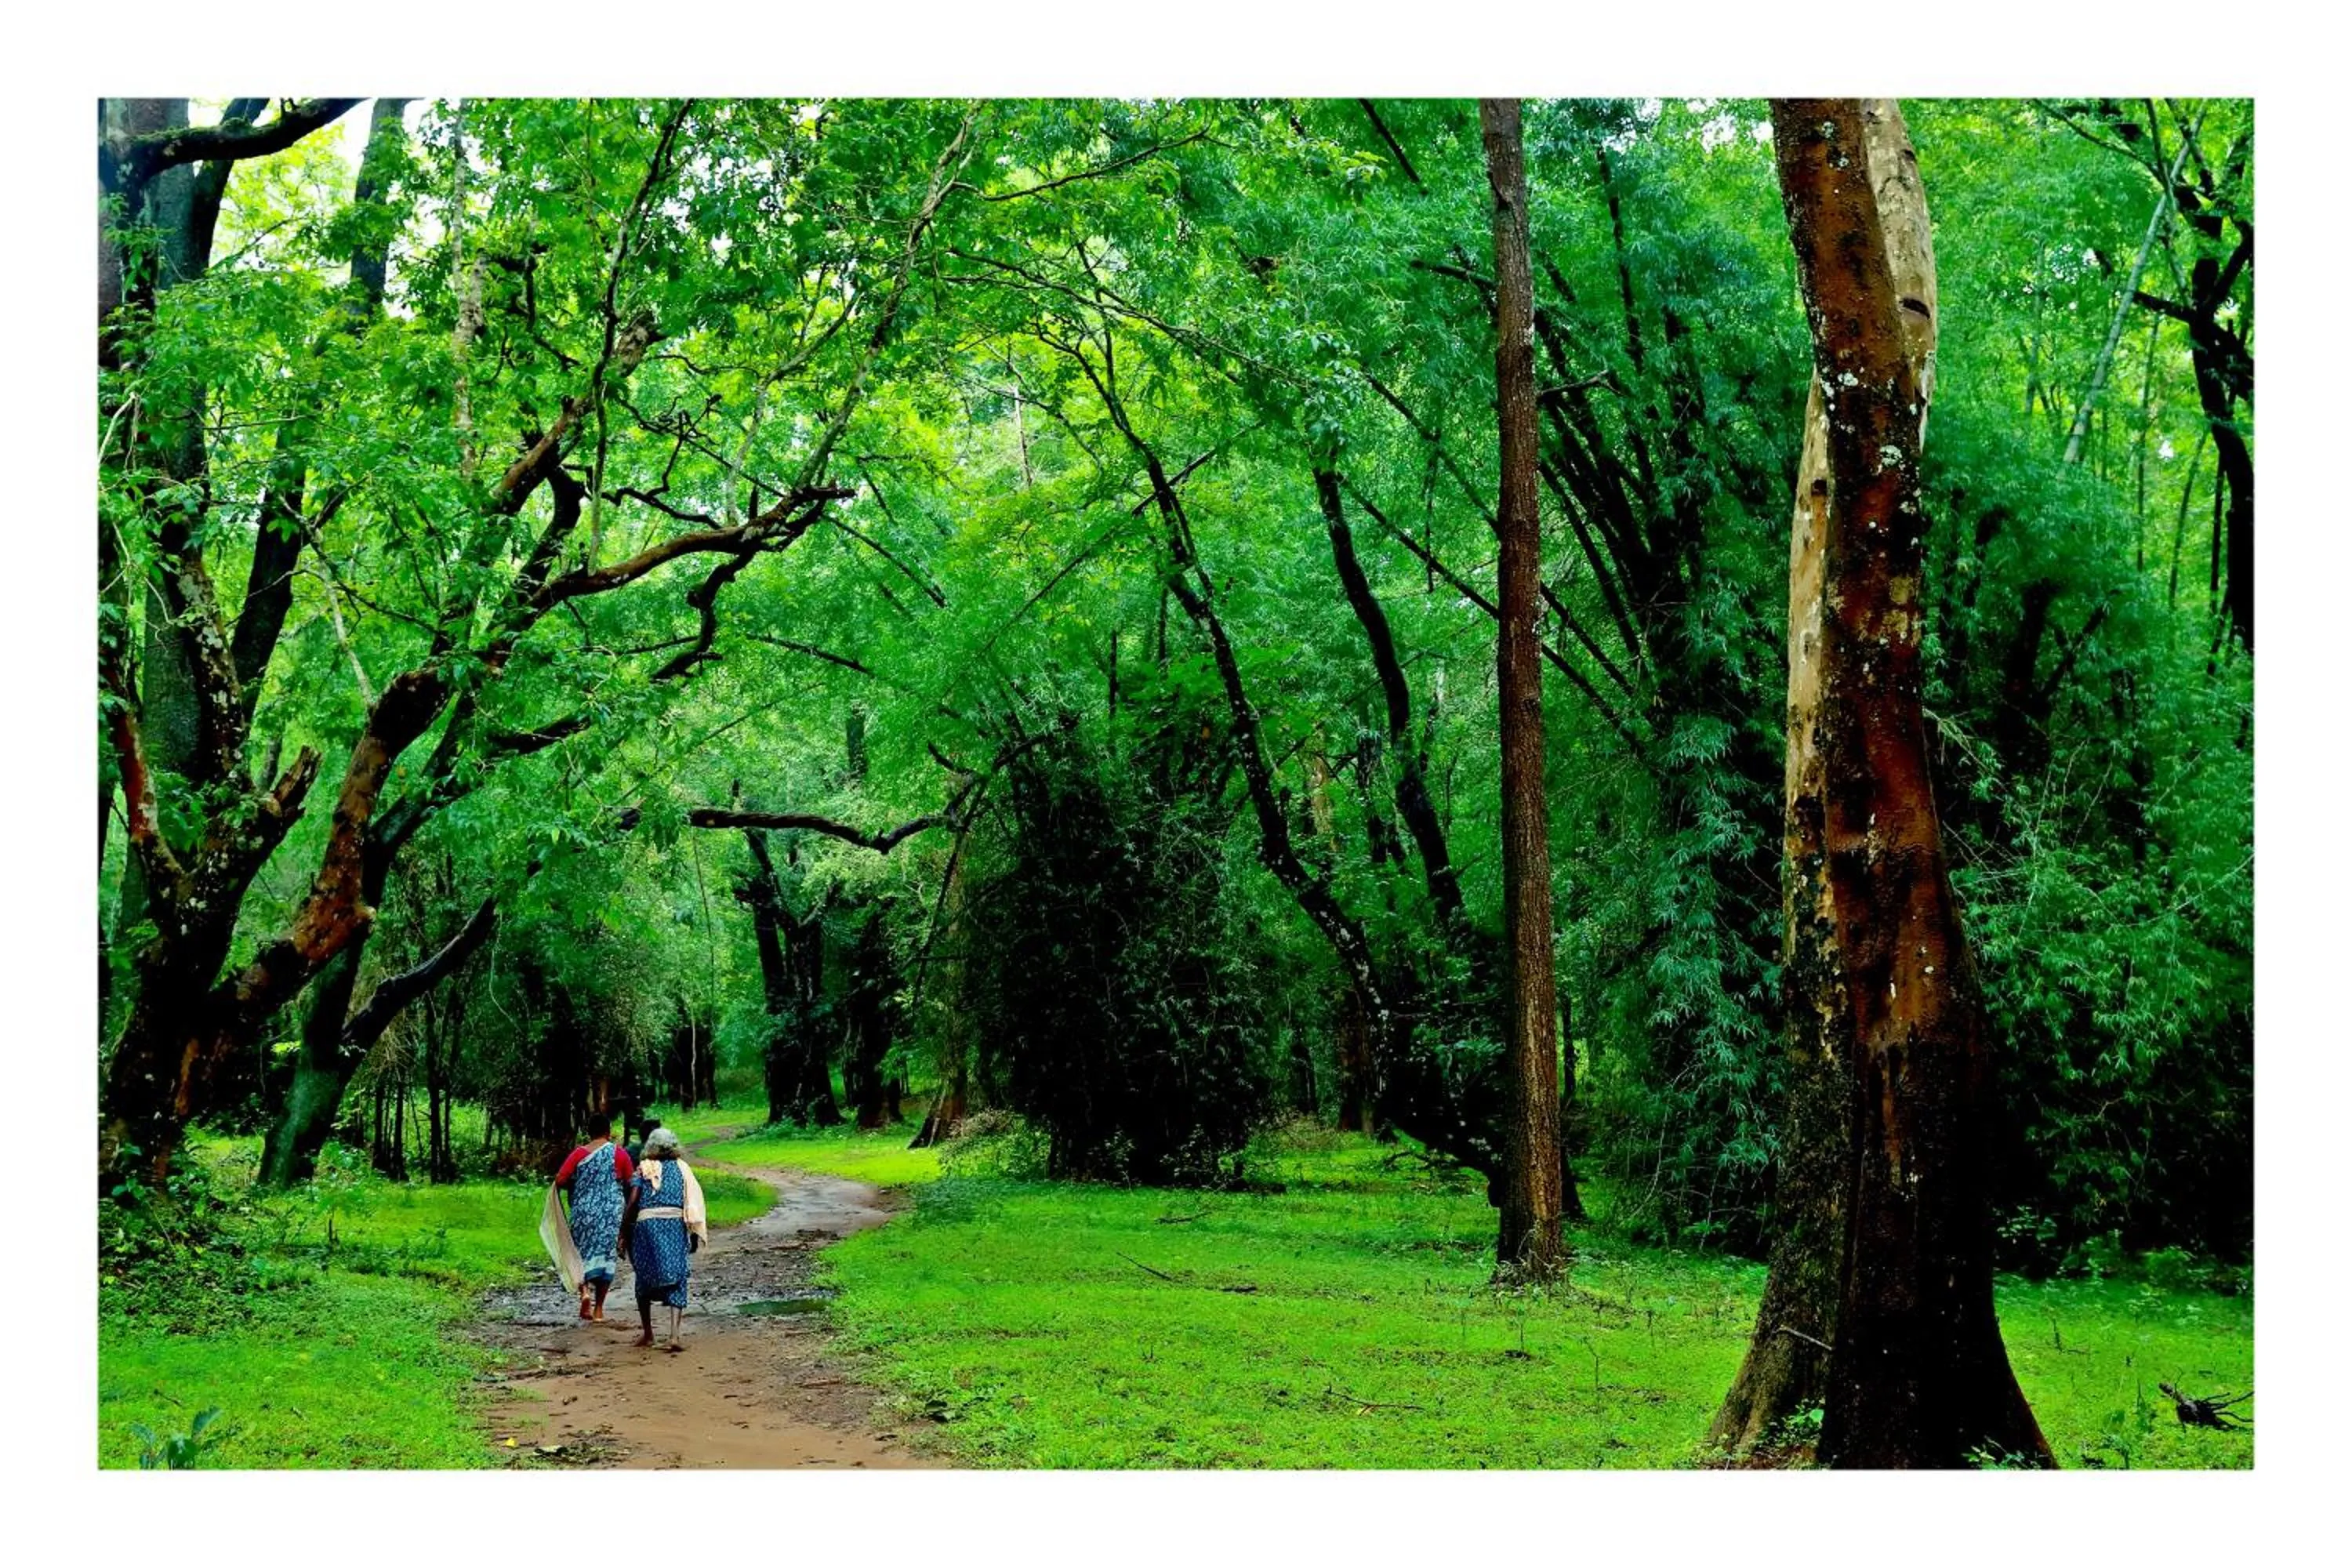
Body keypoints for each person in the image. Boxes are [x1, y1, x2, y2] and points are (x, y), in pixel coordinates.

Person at [540, 1114, 636, 1322]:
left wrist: (578, 1185)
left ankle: (584, 1293)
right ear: (608, 1131)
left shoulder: (578, 1154)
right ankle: (599, 1309)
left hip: (584, 1211)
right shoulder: (618, 1153)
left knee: (581, 1254)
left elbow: (560, 1179)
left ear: (589, 1132)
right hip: (610, 1213)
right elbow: (631, 1181)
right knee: (607, 1258)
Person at [622, 1127, 707, 1350]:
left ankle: (648, 1334)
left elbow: (632, 1201)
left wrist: (624, 1230)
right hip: (674, 1225)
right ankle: (674, 1336)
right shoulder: (683, 1169)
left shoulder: (643, 1169)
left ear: (650, 1146)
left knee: (644, 1277)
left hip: (646, 1227)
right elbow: (693, 1201)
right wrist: (694, 1234)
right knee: (678, 1276)